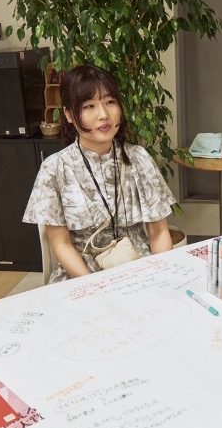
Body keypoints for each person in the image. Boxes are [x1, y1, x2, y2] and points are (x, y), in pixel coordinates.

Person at [23, 64, 176, 282]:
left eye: (110, 102)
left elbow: (159, 233)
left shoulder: (139, 158)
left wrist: (162, 277)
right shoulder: (54, 168)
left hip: (140, 268)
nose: (103, 115)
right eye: (89, 106)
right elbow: (61, 244)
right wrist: (95, 286)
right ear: (68, 114)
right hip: (81, 275)